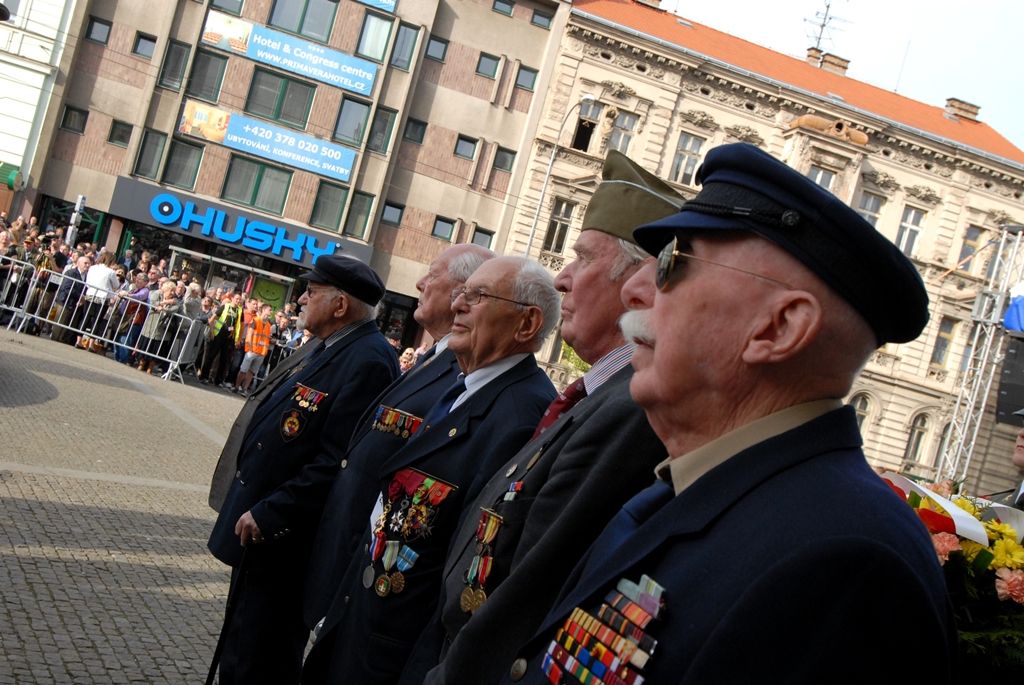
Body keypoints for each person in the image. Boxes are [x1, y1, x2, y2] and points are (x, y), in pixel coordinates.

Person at [497, 143, 956, 684]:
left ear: (778, 328)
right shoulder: (687, 488)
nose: (638, 287)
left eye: (672, 263)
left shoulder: (845, 564)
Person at [410, 151, 684, 685]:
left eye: (582, 259)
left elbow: (533, 581)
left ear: (635, 282)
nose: (562, 277)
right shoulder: (595, 394)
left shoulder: (629, 408)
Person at [301, 256, 560, 684]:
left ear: (526, 324)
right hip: (366, 624)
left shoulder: (521, 414)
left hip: (397, 657)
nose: (459, 305)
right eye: (461, 293)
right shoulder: (464, 385)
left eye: (477, 297)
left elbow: (466, 571)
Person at [206, 255, 399, 685]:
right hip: (263, 535)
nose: (301, 299)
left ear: (340, 305)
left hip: (286, 542)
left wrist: (272, 512)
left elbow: (336, 462)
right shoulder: (330, 346)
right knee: (241, 647)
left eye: (312, 292)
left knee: (260, 659)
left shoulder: (368, 359)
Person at [301, 243, 495, 633]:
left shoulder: (459, 372)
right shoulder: (434, 359)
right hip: (345, 556)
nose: (420, 282)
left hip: (375, 572)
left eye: (433, 274)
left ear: (461, 291)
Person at [234, 303, 274, 395]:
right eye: (269, 310)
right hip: (252, 351)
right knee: (243, 370)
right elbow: (249, 334)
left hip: (261, 352)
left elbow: (267, 338)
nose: (271, 312)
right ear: (264, 310)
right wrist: (249, 348)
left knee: (252, 372)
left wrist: (264, 352)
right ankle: (236, 387)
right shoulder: (255, 320)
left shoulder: (268, 324)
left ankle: (244, 389)